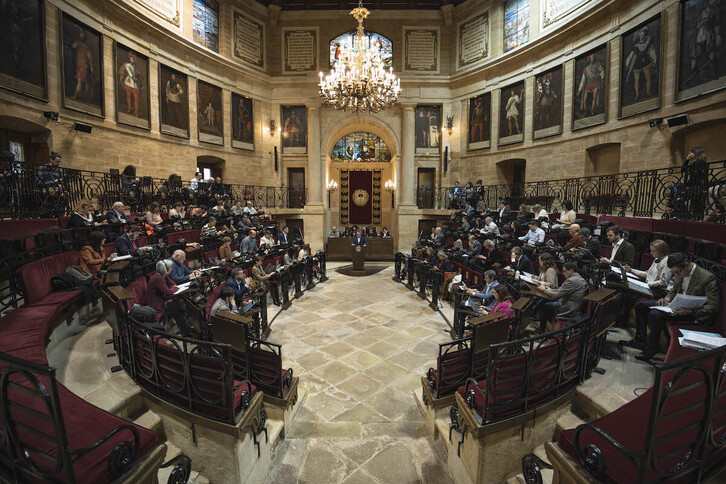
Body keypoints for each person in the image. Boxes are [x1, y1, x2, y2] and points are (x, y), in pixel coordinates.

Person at [634, 252, 721, 361]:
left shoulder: (707, 278)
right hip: (676, 306)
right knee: (640, 305)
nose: (676, 274)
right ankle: (640, 340)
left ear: (687, 265)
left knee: (655, 314)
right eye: (674, 272)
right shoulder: (680, 272)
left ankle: (652, 348)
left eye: (678, 272)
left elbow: (713, 306)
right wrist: (666, 299)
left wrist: (690, 311)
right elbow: (673, 291)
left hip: (693, 313)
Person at [618, 240, 673, 336]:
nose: (651, 253)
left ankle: (631, 326)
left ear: (661, 250)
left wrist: (648, 285)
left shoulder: (666, 262)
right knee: (627, 293)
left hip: (661, 291)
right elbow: (647, 274)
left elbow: (663, 283)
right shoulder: (656, 260)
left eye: (653, 251)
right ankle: (622, 321)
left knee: (633, 297)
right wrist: (631, 270)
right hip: (651, 286)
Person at [537, 262, 589, 332]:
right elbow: (563, 290)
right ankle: (549, 329)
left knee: (544, 306)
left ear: (571, 271)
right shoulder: (578, 278)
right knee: (545, 302)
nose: (563, 273)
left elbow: (556, 296)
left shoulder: (571, 280)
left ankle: (541, 331)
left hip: (568, 309)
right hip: (575, 306)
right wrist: (552, 290)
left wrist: (544, 290)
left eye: (564, 271)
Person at [146, 260, 193, 337]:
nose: (171, 269)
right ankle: (186, 332)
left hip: (162, 301)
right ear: (165, 269)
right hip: (157, 305)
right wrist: (173, 288)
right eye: (170, 268)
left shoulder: (163, 275)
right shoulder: (158, 278)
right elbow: (168, 292)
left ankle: (186, 331)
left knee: (182, 306)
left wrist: (173, 287)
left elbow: (173, 284)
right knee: (180, 308)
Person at [119, 53, 141, 117]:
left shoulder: (135, 67)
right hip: (129, 81)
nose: (131, 60)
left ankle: (135, 112)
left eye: (132, 59)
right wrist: (134, 78)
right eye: (130, 59)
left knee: (136, 98)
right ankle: (129, 108)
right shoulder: (127, 65)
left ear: (134, 60)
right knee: (128, 95)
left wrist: (136, 79)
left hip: (134, 82)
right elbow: (130, 73)